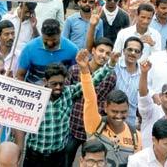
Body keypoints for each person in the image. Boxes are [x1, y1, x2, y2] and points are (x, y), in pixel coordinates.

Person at [15, 51, 118, 167]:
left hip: (58, 156)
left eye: (61, 84)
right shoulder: (34, 96)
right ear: (45, 81)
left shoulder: (69, 93)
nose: (58, 87)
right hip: (34, 155)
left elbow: (92, 81)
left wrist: (111, 64)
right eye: (54, 84)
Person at [81, 51, 142, 166]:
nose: (119, 116)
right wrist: (85, 71)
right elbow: (90, 98)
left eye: (123, 112)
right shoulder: (95, 124)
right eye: (114, 111)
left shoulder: (136, 136)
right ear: (105, 107)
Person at [65, 37, 117, 166]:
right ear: (93, 51)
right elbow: (66, 97)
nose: (103, 55)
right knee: (65, 161)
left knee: (93, 162)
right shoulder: (75, 70)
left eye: (107, 53)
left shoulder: (110, 76)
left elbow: (106, 104)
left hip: (94, 130)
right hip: (72, 126)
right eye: (101, 51)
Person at [137, 60, 167, 149]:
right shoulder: (151, 111)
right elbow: (143, 95)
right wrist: (144, 73)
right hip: (146, 160)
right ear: (160, 96)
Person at [16, 18, 79, 84]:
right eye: (46, 39)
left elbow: (76, 74)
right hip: (35, 90)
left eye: (54, 40)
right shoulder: (29, 48)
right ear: (42, 34)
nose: (49, 43)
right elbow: (20, 75)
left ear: (60, 34)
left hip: (61, 91)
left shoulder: (72, 50)